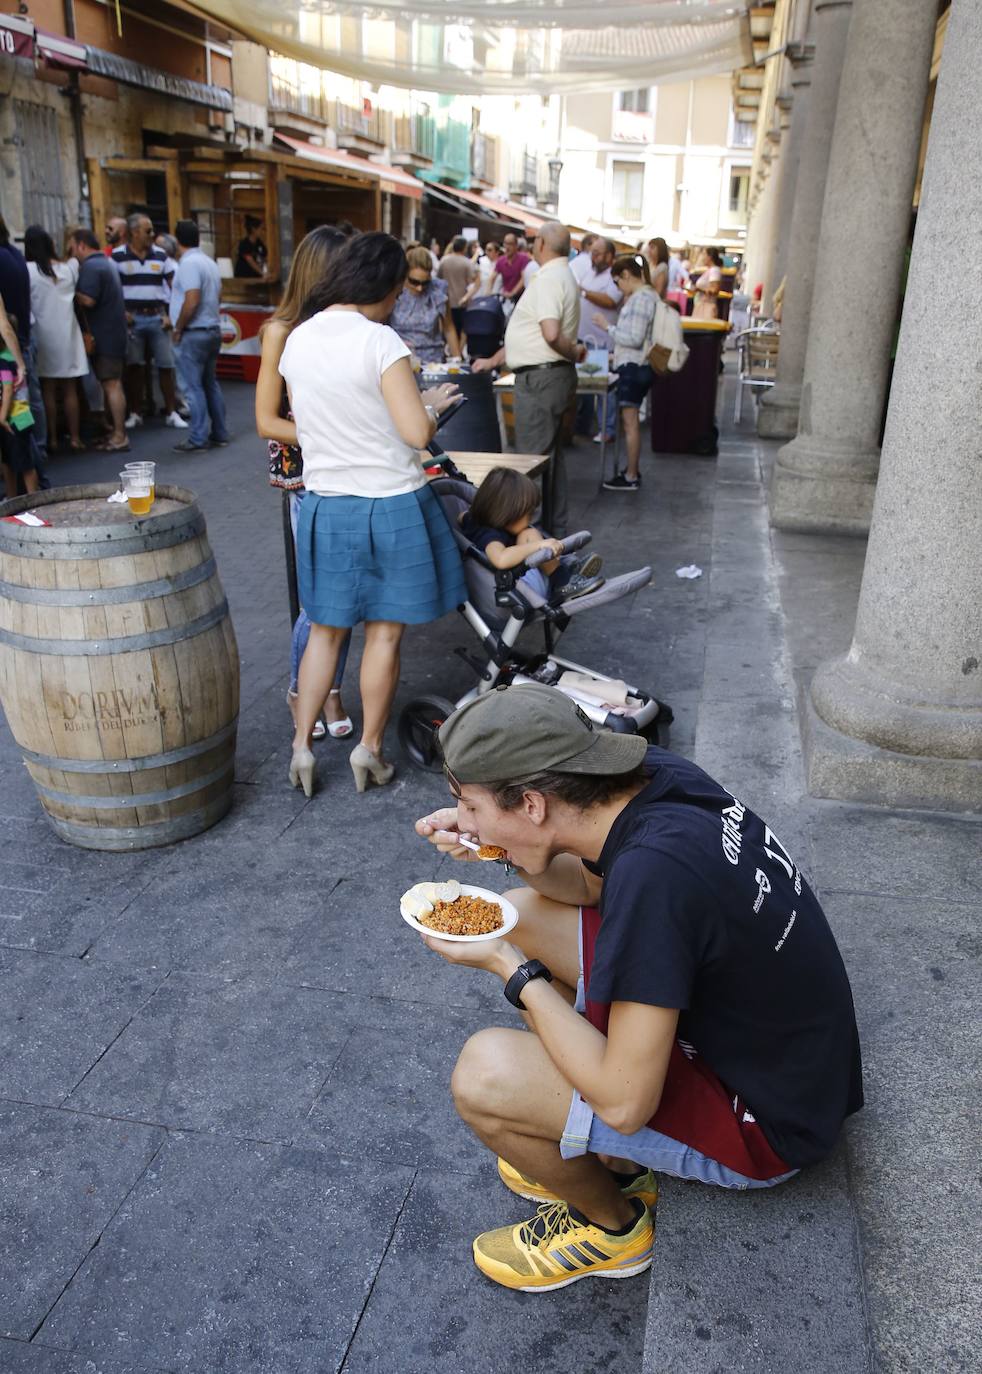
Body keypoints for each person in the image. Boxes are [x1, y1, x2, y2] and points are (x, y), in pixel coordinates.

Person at [414, 684, 864, 1293]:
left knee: (484, 1075)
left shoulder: (655, 878)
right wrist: (499, 845)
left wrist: (508, 967)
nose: (460, 822)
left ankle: (613, 1228)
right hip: (791, 1053)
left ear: (533, 802)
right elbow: (590, 886)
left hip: (767, 1120)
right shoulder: (649, 776)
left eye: (468, 805)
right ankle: (617, 1157)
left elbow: (626, 1103)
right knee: (523, 907)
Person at [278, 231, 466, 797]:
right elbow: (412, 433)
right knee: (383, 637)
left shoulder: (298, 340)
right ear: (383, 286)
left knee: (326, 635)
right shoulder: (380, 342)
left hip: (326, 505)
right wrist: (429, 410)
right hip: (389, 505)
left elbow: (326, 417)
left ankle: (301, 752)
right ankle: (370, 750)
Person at [255, 225, 354, 742]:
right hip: (309, 480)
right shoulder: (282, 330)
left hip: (352, 476)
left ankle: (331, 690)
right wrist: (333, 434)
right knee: (321, 601)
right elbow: (268, 420)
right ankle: (302, 688)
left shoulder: (348, 328)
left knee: (350, 595)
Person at [472, 222, 584, 538]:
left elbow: (549, 333)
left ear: (544, 244)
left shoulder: (550, 278)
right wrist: (495, 360)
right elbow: (537, 334)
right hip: (548, 375)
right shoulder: (561, 275)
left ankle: (529, 537)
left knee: (530, 463)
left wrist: (573, 351)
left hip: (542, 378)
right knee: (548, 458)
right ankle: (549, 530)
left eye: (535, 240)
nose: (532, 244)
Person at [460, 466, 603, 602]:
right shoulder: (489, 534)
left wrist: (463, 519)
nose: (531, 518)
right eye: (528, 514)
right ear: (507, 513)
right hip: (516, 587)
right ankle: (563, 582)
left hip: (518, 580)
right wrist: (539, 545)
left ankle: (567, 571)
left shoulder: (476, 520)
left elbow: (462, 516)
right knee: (528, 535)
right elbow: (500, 559)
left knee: (528, 534)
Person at [112, 213, 184, 432]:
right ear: (134, 233)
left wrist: (170, 316)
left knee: (165, 365)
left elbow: (176, 288)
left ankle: (171, 411)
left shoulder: (161, 256)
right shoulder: (117, 257)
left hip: (156, 316)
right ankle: (135, 412)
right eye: (148, 231)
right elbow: (113, 290)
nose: (152, 235)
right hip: (133, 318)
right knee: (135, 367)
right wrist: (121, 313)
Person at [23, 226, 87, 454]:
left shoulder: (28, 270)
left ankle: (50, 438)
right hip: (68, 333)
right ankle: (76, 437)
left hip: (43, 334)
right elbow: (74, 259)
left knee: (47, 389)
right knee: (70, 388)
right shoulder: (68, 269)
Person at [169, 219, 229, 453]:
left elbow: (191, 299)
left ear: (177, 240)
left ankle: (198, 437)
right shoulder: (209, 263)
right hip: (211, 328)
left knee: (193, 386)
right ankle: (220, 432)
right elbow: (218, 296)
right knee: (209, 383)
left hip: (194, 331)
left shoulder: (188, 264)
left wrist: (178, 327)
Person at [599, 255, 657, 493]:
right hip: (636, 364)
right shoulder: (647, 296)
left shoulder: (640, 299)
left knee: (630, 423)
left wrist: (607, 327)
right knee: (630, 421)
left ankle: (631, 474)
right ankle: (632, 470)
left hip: (634, 367)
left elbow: (634, 338)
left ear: (625, 275)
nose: (618, 288)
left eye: (616, 282)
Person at [70, 228, 129, 453]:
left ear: (82, 245)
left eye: (73, 246)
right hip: (113, 334)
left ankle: (119, 435)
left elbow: (89, 300)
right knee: (113, 384)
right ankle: (116, 432)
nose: (72, 252)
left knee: (112, 384)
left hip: (105, 336)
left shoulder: (92, 266)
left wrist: (68, 291)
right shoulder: (107, 263)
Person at [0, 215, 47, 469]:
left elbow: (4, 322)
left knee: (16, 416)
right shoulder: (15, 255)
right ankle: (36, 458)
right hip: (21, 339)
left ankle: (32, 469)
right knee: (26, 407)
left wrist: (17, 362)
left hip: (9, 346)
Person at [388, 246, 461, 363]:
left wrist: (457, 358)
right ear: (404, 275)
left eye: (425, 282)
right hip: (400, 358)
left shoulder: (438, 290)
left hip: (433, 360)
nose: (420, 288)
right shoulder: (392, 290)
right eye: (414, 282)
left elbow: (448, 327)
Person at [0, 317, 39, 497]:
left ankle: (32, 499)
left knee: (23, 464)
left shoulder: (4, 360)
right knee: (11, 461)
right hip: (22, 416)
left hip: (13, 419)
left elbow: (7, 389)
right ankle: (13, 498)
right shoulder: (13, 356)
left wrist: (1, 417)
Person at [437, 236, 478, 341]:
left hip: (445, 301)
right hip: (461, 302)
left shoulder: (444, 260)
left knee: (446, 329)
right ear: (464, 247)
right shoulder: (467, 263)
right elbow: (472, 283)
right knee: (459, 330)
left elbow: (438, 279)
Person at [494, 233, 531, 308]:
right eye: (505, 243)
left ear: (516, 245)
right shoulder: (501, 260)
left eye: (510, 244)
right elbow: (492, 278)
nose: (507, 247)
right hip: (506, 298)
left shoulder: (523, 258)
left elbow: (523, 278)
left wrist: (513, 292)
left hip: (520, 298)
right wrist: (488, 293)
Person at [692, 247, 722, 320]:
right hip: (701, 306)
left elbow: (714, 290)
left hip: (706, 307)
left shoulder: (714, 270)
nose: (702, 257)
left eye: (704, 254)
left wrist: (699, 289)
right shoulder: (710, 270)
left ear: (710, 257)